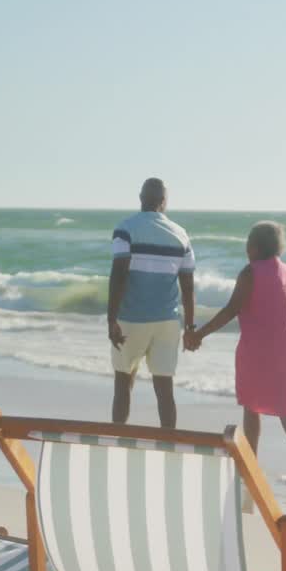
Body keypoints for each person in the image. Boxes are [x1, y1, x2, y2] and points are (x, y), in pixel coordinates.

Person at [188, 221, 286, 483]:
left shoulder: (249, 273)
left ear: (255, 247)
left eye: (248, 243)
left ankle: (252, 465)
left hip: (257, 347)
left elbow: (231, 310)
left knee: (251, 404)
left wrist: (199, 334)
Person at [107, 177, 196, 427]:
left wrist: (111, 319)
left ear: (140, 198)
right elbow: (188, 286)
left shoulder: (126, 229)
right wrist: (190, 327)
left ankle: (118, 438)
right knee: (165, 389)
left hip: (131, 318)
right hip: (168, 321)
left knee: (124, 383)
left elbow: (119, 274)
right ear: (164, 202)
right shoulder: (180, 234)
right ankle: (169, 444)